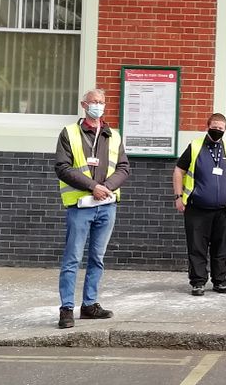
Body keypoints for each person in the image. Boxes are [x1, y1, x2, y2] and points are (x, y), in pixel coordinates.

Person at [55, 88, 130, 329]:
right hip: (80, 206)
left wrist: (106, 187)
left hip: (106, 206)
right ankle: (67, 308)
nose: (97, 106)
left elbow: (124, 168)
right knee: (72, 259)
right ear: (83, 105)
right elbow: (63, 167)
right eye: (93, 102)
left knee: (97, 258)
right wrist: (92, 187)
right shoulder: (69, 133)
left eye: (101, 102)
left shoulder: (113, 135)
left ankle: (89, 305)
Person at [172, 113, 226, 296]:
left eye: (221, 128)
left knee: (221, 248)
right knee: (196, 247)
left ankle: (220, 281)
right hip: (197, 208)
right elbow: (178, 171)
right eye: (214, 127)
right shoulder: (195, 146)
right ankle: (198, 282)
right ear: (208, 126)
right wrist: (178, 196)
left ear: (225, 130)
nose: (217, 130)